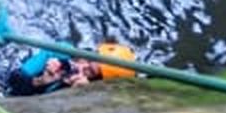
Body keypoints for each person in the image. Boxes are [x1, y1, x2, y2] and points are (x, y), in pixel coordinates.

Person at [7, 42, 135, 96]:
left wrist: (72, 94)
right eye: (87, 59)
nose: (81, 66)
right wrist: (40, 81)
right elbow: (13, 81)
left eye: (89, 71)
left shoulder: (82, 88)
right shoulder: (58, 53)